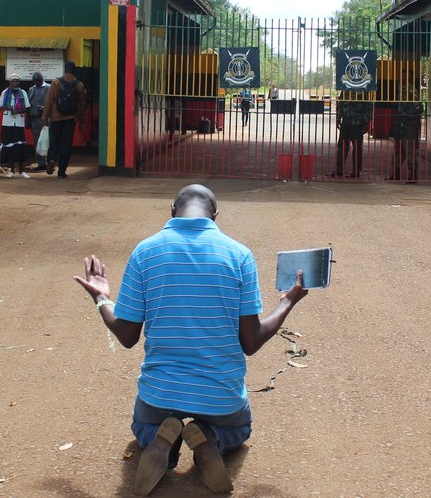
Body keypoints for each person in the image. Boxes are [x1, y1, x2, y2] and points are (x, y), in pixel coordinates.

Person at [72, 184, 309, 496]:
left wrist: (102, 298)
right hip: (220, 399)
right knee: (240, 428)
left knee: (143, 427)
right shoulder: (239, 255)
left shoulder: (145, 252)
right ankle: (212, 439)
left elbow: (127, 336)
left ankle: (162, 441)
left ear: (172, 211)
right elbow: (251, 342)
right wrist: (287, 302)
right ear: (216, 216)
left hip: (159, 397)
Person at [41, 60, 85, 179]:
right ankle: (61, 172)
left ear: (65, 69)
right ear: (74, 70)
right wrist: (80, 120)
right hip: (70, 118)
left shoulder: (56, 82)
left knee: (54, 141)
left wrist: (45, 117)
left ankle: (51, 159)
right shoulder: (79, 85)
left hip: (55, 118)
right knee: (66, 145)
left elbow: (49, 101)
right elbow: (81, 105)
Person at [0, 74, 31, 179]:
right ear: (10, 82)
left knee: (20, 147)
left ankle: (21, 171)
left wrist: (18, 111)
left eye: (17, 81)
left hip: (18, 123)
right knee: (9, 147)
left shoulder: (23, 93)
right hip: (8, 123)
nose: (15, 83)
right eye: (13, 81)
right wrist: (9, 108)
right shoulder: (5, 92)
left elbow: (27, 108)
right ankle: (11, 171)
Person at [331, 92, 372, 178]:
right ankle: (339, 170)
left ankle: (356, 171)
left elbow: (368, 107)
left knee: (357, 148)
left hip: (357, 123)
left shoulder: (363, 90)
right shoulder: (346, 89)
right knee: (342, 147)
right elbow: (341, 104)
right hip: (346, 122)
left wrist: (366, 122)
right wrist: (338, 118)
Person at [388, 87, 423, 182]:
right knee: (398, 150)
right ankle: (396, 172)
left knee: (410, 150)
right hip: (399, 126)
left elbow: (419, 109)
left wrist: (407, 113)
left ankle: (413, 173)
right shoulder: (399, 98)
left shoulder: (414, 97)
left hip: (409, 127)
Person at [27, 72, 50, 171]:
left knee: (47, 140)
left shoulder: (49, 88)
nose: (36, 83)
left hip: (46, 119)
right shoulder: (31, 89)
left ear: (42, 79)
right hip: (35, 118)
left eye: (38, 81)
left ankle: (49, 162)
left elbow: (53, 103)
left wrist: (44, 109)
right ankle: (41, 163)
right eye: (35, 81)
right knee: (37, 141)